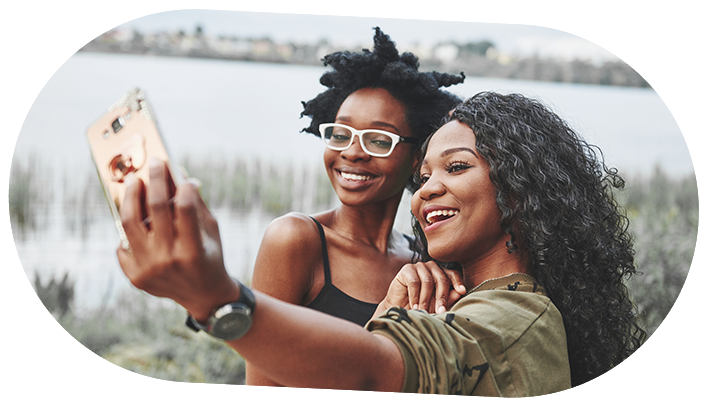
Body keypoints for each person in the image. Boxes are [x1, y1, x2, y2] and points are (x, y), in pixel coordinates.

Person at [116, 91, 646, 397]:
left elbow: (374, 373)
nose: (429, 189)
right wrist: (394, 310)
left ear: (521, 192)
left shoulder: (514, 317)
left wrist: (216, 298)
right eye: (426, 176)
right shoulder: (449, 294)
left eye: (456, 168)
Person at [246, 28, 464, 396]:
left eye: (379, 140)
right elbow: (262, 391)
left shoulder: (425, 260)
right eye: (340, 134)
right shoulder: (296, 240)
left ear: (417, 158)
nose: (352, 152)